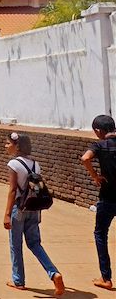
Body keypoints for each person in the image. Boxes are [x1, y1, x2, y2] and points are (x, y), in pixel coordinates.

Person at [3, 131, 65, 295]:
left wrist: (7, 214)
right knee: (35, 243)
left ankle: (18, 280)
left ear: (17, 146)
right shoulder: (35, 164)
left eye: (8, 143)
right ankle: (54, 273)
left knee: (15, 245)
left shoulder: (14, 164)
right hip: (34, 208)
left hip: (19, 208)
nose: (6, 146)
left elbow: (12, 190)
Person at [82, 114, 116, 290]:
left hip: (108, 197)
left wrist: (95, 176)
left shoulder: (100, 145)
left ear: (98, 131)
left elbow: (86, 158)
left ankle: (106, 278)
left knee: (101, 234)